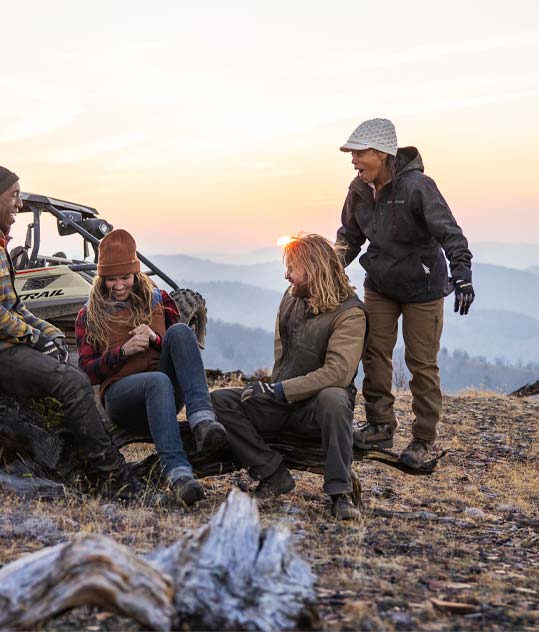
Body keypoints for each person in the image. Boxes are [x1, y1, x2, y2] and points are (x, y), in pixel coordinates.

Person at [0, 162, 148, 502]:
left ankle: (75, 458)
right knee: (72, 382)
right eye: (13, 196)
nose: (19, 204)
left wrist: (50, 335)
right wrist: (34, 339)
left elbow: (14, 307)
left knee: (69, 371)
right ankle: (115, 481)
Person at [336, 118, 473, 467]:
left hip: (422, 287)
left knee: (421, 362)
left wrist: (462, 275)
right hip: (381, 283)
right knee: (373, 352)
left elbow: (450, 232)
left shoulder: (418, 187)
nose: (353, 160)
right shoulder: (358, 190)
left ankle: (423, 440)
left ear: (382, 153)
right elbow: (349, 237)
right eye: (351, 154)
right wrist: (327, 269)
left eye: (359, 153)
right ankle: (380, 425)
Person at [211, 233, 367, 521]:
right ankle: (272, 473)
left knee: (334, 397)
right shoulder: (291, 298)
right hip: (280, 402)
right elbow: (281, 349)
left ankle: (340, 493)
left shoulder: (350, 314)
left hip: (314, 412)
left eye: (293, 268)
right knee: (220, 401)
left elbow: (338, 372)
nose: (286, 275)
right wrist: (271, 391)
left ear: (314, 269)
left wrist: (282, 391)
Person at [75, 229, 227, 506]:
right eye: (111, 279)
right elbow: (86, 371)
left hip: (166, 394)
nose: (118, 285)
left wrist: (156, 339)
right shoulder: (89, 314)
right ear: (101, 278)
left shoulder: (161, 300)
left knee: (181, 332)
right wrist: (122, 352)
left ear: (136, 273)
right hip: (121, 399)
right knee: (157, 381)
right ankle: (179, 474)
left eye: (125, 277)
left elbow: (177, 348)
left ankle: (203, 421)